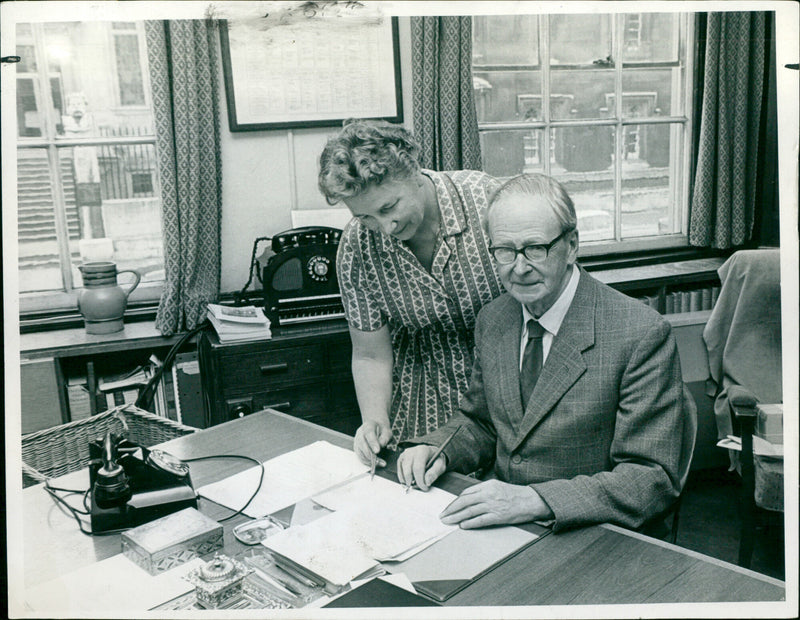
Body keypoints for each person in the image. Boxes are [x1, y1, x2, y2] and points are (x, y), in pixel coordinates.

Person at [397, 173, 696, 533]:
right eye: (505, 251)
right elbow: (481, 422)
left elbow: (649, 479)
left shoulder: (640, 333)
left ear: (571, 246)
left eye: (536, 248)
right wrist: (438, 448)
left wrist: (535, 500)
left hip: (591, 532)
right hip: (505, 524)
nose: (519, 268)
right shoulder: (493, 319)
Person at [318, 120, 504, 465]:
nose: (385, 228)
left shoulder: (487, 200)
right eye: (365, 217)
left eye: (388, 208)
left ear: (414, 172)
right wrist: (374, 421)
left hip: (508, 388)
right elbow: (370, 355)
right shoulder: (357, 246)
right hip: (425, 398)